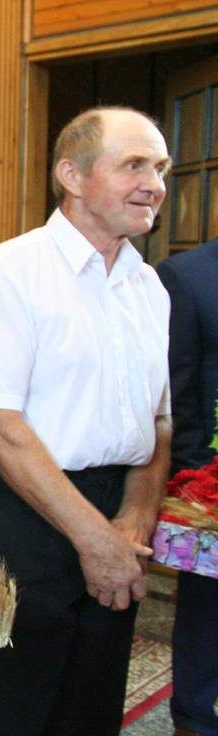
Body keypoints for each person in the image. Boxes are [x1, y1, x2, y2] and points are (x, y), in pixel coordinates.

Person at [0, 106, 173, 735]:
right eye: (134, 165)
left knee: (92, 704)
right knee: (12, 708)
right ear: (72, 176)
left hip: (117, 510)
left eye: (160, 168)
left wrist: (134, 519)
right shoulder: (8, 273)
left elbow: (158, 422)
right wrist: (96, 541)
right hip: (19, 509)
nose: (154, 184)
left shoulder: (149, 287)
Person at [156, 239, 218, 736]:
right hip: (211, 485)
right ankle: (195, 718)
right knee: (208, 612)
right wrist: (199, 484)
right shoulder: (188, 275)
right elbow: (177, 389)